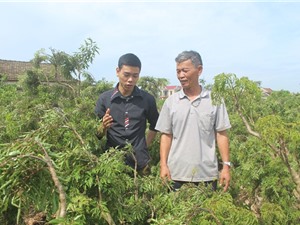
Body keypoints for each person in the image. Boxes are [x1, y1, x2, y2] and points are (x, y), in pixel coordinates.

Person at [155, 50, 231, 191]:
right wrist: (163, 165)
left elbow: (221, 134)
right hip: (176, 175)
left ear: (199, 70)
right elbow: (166, 135)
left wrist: (226, 166)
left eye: (185, 70)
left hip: (207, 176)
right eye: (178, 71)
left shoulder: (215, 100)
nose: (181, 75)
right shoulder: (171, 102)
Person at [95, 53, 159, 174]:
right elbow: (96, 135)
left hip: (141, 163)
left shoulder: (147, 99)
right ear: (117, 71)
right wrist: (103, 127)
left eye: (135, 76)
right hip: (113, 162)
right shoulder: (104, 99)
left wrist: (145, 146)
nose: (131, 80)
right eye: (126, 75)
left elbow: (155, 125)